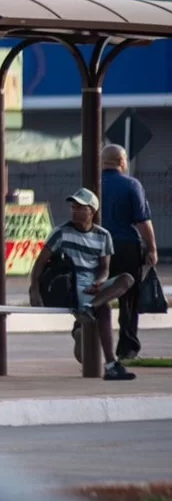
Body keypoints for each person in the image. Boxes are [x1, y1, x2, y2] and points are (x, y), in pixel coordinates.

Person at [29, 188, 136, 381]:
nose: (74, 211)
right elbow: (40, 262)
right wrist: (34, 289)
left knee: (127, 279)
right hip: (73, 283)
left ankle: (86, 315)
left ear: (92, 211)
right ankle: (111, 364)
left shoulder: (103, 236)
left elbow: (105, 268)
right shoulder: (61, 232)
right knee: (103, 309)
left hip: (93, 285)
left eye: (80, 207)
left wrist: (100, 281)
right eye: (73, 207)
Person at [100, 144, 158, 360]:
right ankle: (127, 347)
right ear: (122, 161)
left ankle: (86, 335)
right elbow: (143, 221)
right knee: (129, 298)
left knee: (97, 292)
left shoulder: (92, 185)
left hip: (97, 247)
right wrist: (151, 248)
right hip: (125, 247)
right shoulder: (131, 185)